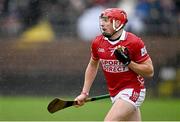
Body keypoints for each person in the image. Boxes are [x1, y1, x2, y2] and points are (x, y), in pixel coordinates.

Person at [75, 8, 154, 121]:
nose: (102, 24)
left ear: (118, 23)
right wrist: (84, 93)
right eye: (102, 20)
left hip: (133, 90)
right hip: (115, 93)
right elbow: (93, 65)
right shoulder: (98, 42)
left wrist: (128, 62)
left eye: (107, 20)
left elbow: (149, 71)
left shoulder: (134, 42)